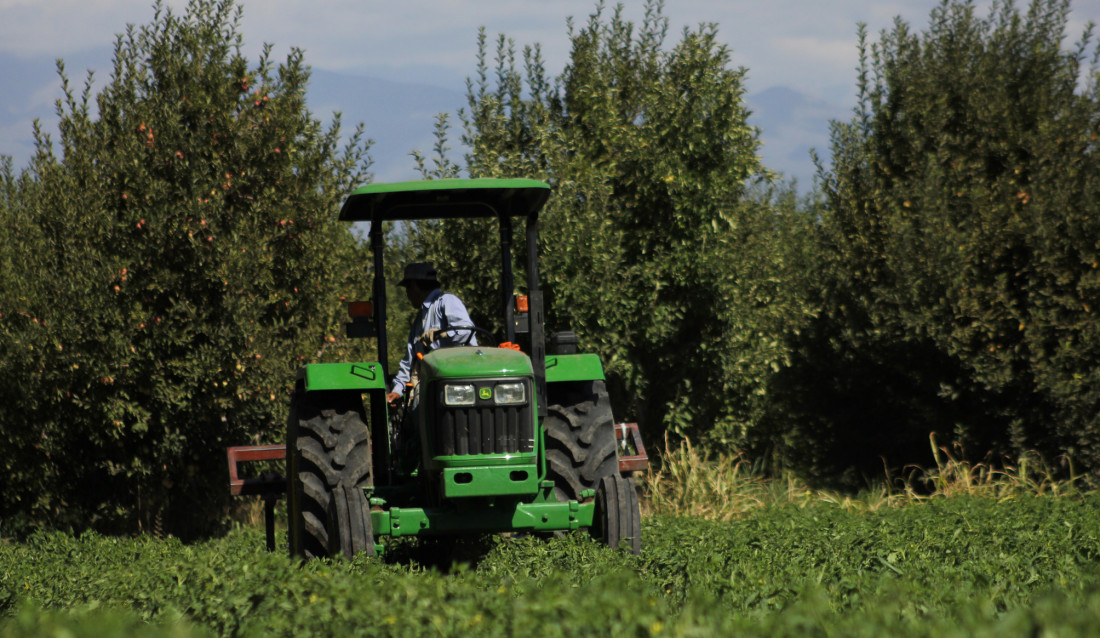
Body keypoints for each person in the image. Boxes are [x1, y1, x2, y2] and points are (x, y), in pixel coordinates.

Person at [386, 262, 477, 406]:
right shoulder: (419, 320)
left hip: (458, 382)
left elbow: (465, 332)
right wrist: (398, 390)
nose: (407, 294)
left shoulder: (447, 301)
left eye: (407, 288)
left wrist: (442, 334)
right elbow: (410, 358)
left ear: (415, 286)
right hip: (433, 385)